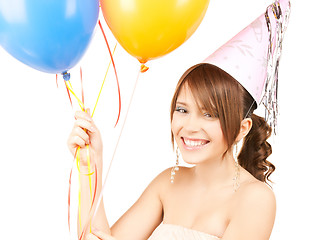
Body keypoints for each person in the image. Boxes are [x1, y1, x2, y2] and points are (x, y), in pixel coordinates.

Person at [67, 1, 290, 239]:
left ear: (242, 129)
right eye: (182, 110)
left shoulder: (255, 199)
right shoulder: (167, 183)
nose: (190, 126)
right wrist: (90, 166)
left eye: (209, 114)